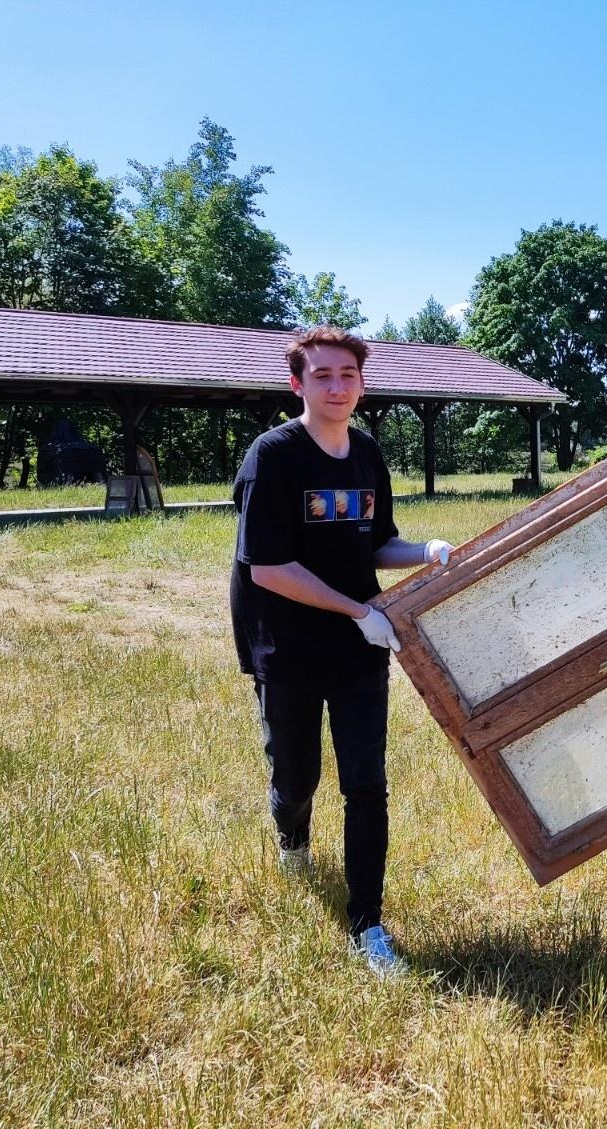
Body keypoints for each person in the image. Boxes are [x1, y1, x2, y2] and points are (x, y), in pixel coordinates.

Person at [229, 326, 454, 976]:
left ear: (362, 383)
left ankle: (369, 926)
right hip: (289, 644)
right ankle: (291, 840)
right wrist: (361, 611)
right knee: (298, 778)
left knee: (367, 785)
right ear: (297, 383)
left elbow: (376, 544)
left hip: (359, 647)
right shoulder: (273, 456)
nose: (335, 386)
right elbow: (268, 567)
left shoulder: (366, 455)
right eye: (321, 375)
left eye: (346, 375)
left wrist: (424, 551)